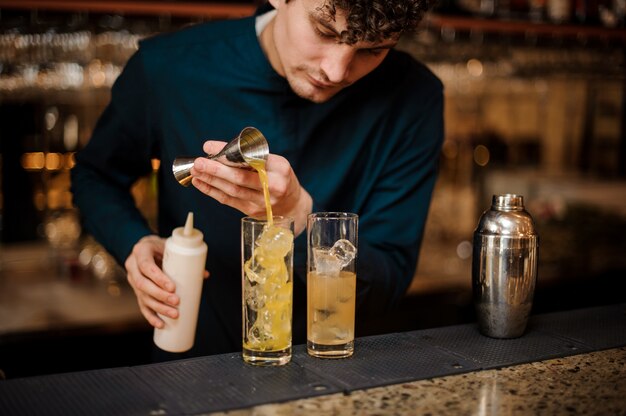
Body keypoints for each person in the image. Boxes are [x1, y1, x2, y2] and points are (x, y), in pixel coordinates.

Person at [70, 0, 444, 360]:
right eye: (324, 30)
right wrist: (132, 242)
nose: (336, 71)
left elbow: (388, 282)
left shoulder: (415, 98)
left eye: (372, 51)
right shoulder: (167, 68)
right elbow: (95, 175)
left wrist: (298, 214)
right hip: (195, 366)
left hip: (341, 373)